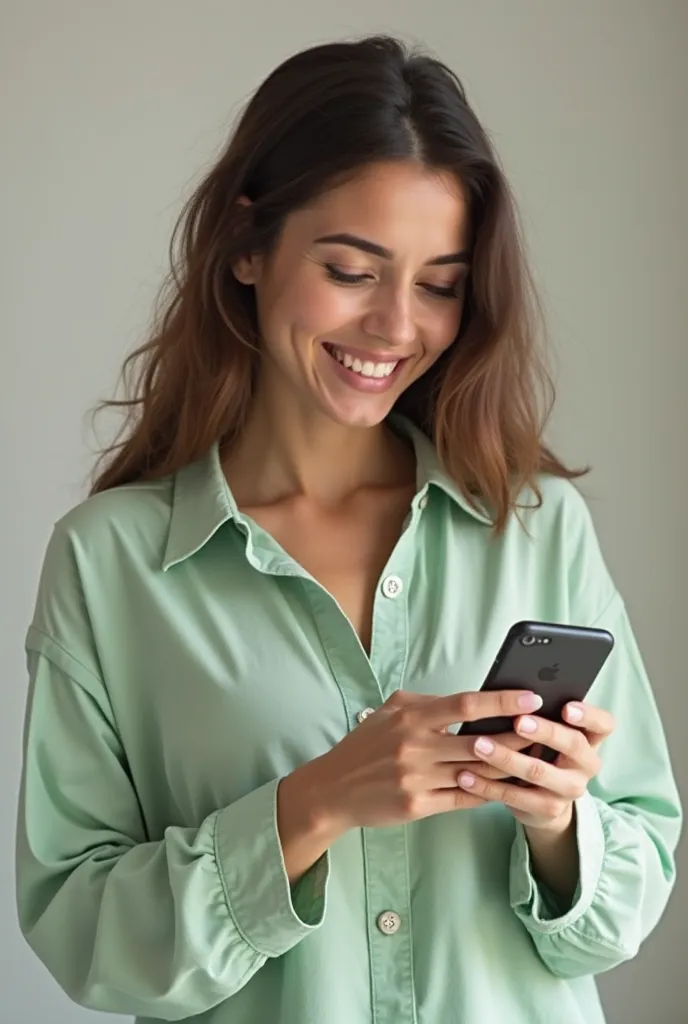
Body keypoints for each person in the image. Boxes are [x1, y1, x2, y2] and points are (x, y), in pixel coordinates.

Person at [16, 34, 681, 1024]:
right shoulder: (111, 565)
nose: (394, 327)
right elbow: (87, 935)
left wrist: (556, 821)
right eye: (350, 268)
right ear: (247, 245)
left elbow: (628, 897)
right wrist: (312, 804)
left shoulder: (535, 528)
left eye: (439, 283)